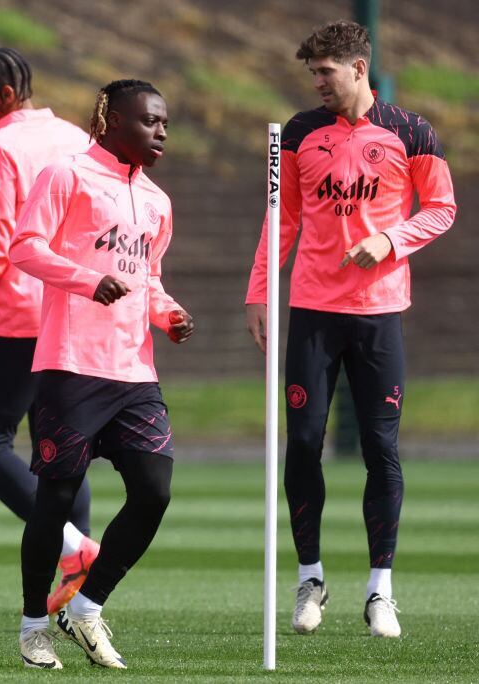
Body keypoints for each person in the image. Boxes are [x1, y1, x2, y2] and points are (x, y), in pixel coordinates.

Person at [245, 20, 456, 639]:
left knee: (380, 449)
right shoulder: (299, 132)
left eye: (325, 72)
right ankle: (310, 579)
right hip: (311, 311)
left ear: (359, 69)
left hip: (380, 312)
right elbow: (279, 218)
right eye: (312, 73)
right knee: (303, 441)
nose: (317, 83)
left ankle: (380, 592)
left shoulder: (412, 132)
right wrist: (261, 292)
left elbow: (442, 209)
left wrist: (390, 239)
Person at [7, 79, 194, 669]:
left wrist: (169, 314)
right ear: (110, 120)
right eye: (148, 121)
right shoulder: (66, 176)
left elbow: (149, 279)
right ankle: (34, 624)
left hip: (135, 371)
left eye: (164, 122)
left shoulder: (158, 202)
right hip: (71, 366)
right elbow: (25, 247)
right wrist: (88, 280)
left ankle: (87, 608)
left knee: (155, 490)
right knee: (55, 500)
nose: (160, 131)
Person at [0, 47, 98, 614]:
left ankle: (73, 545)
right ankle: (80, 585)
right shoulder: (77, 137)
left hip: (20, 315)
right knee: (62, 451)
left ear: (5, 95)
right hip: (76, 309)